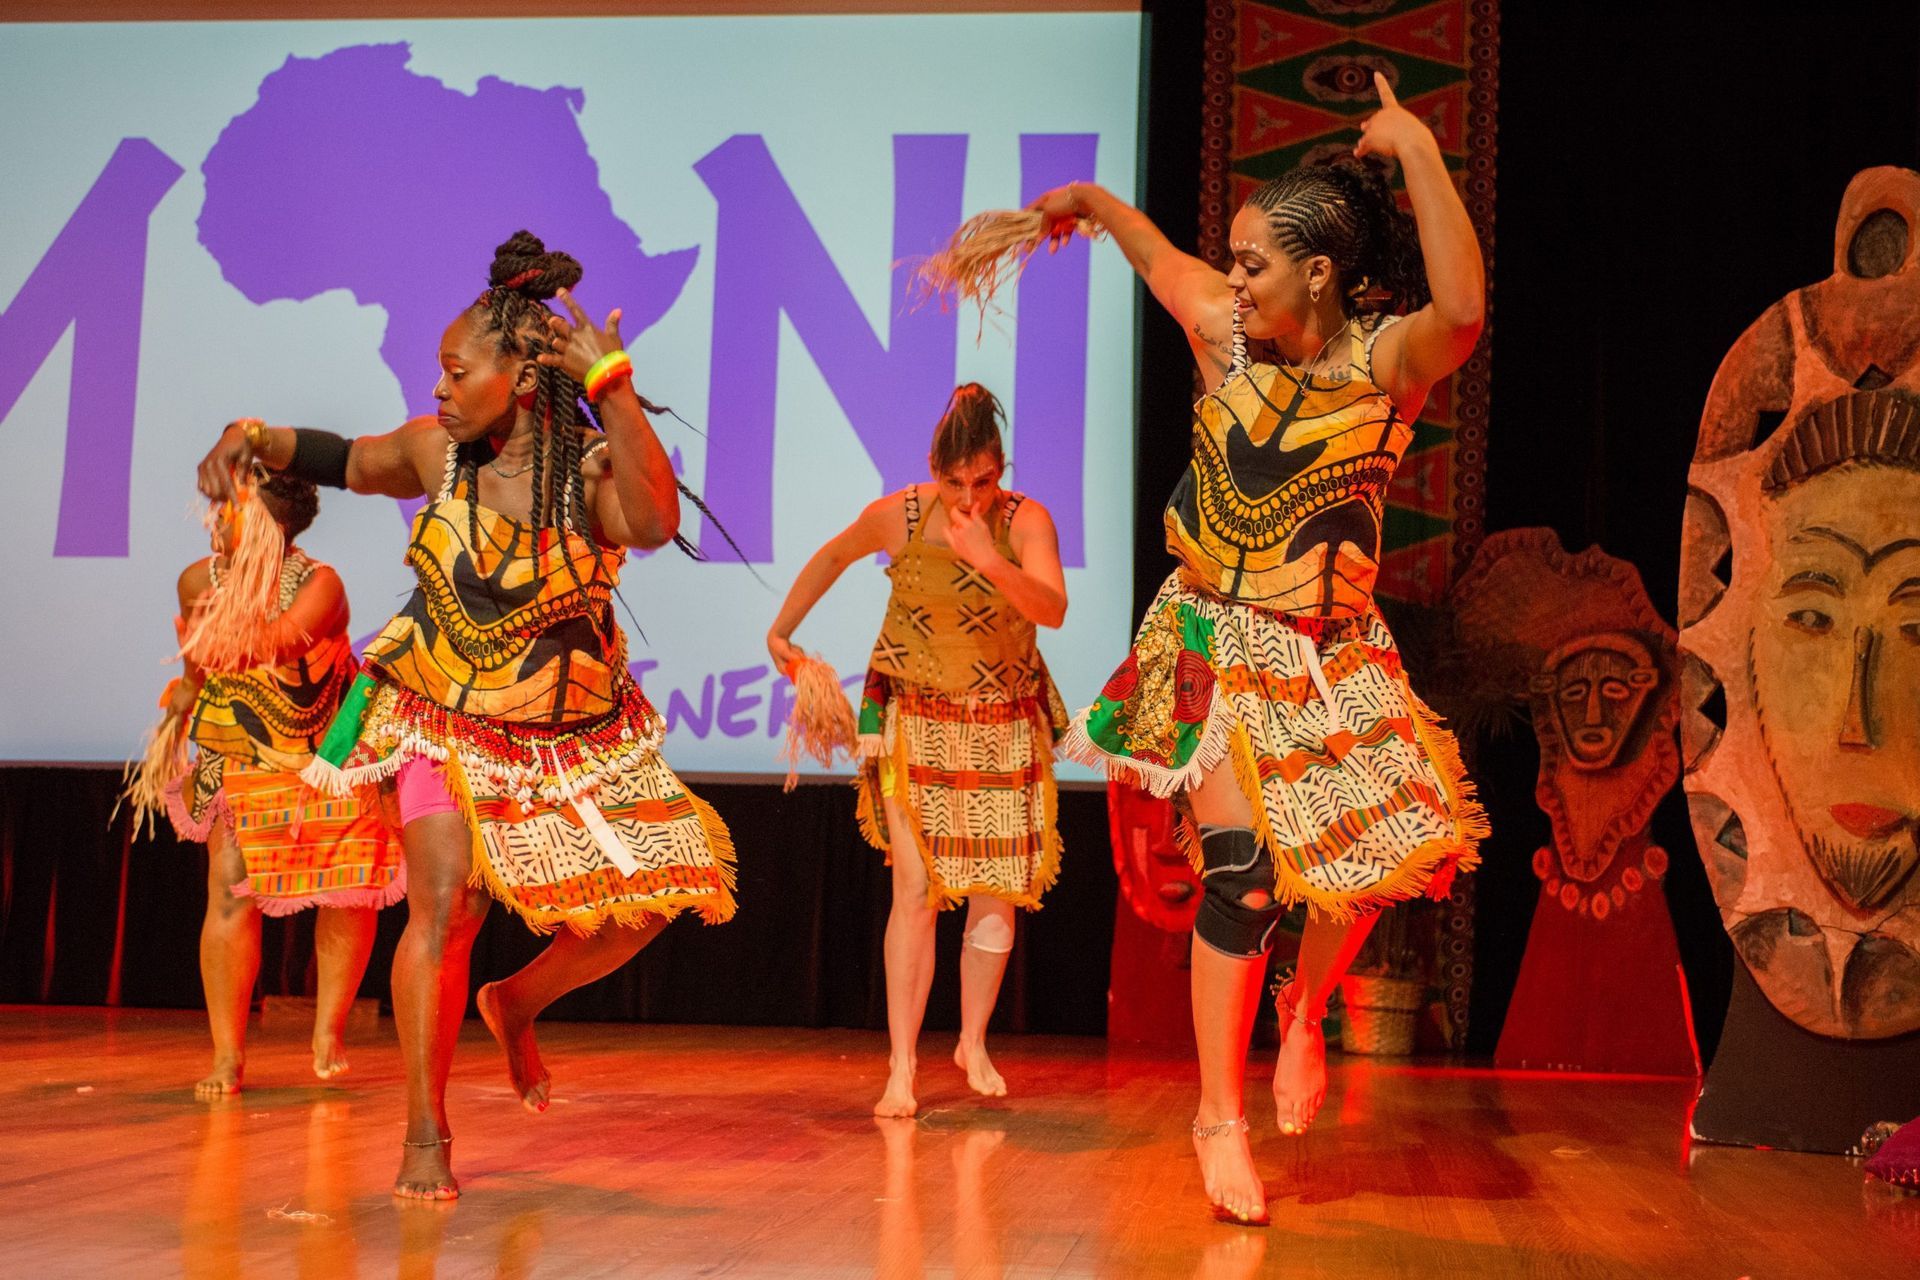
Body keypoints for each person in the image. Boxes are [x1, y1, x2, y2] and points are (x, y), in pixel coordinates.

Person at [194, 232, 737, 1200]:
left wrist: (612, 385)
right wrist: (262, 437)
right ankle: (423, 1131)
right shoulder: (435, 450)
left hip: (566, 731)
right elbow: (353, 460)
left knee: (654, 895)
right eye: (438, 371)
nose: (439, 386)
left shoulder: (586, 479)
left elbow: (655, 523)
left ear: (523, 374)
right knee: (448, 902)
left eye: (455, 369)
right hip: (438, 707)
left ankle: (516, 1001)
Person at [1034, 74, 1487, 1224]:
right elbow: (1154, 259)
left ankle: (1301, 1011)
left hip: (1329, 650)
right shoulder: (1224, 338)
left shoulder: (1386, 366)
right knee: (1240, 871)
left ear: (1319, 273)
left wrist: (1421, 148)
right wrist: (1092, 199)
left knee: (1374, 864)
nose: (1230, 278)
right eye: (1230, 261)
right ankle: (1217, 1115)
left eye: (1253, 262)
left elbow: (1467, 311)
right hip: (1214, 638)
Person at [767, 384, 1069, 1117]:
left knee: (998, 891)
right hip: (914, 716)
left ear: (1002, 470)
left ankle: (972, 1040)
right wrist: (782, 632)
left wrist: (988, 559)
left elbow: (1053, 609)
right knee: (915, 890)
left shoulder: (1027, 522)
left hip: (1002, 717)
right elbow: (834, 555)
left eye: (984, 481)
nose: (969, 496)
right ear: (934, 470)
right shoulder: (898, 516)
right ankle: (901, 1066)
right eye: (954, 482)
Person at [146, 472, 401, 1098]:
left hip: (326, 751)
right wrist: (182, 699)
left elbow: (278, 640)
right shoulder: (197, 581)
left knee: (346, 891)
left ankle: (327, 1031)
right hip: (240, 749)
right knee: (230, 892)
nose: (215, 521)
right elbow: (197, 670)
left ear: (271, 524)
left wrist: (211, 630)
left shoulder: (320, 585)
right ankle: (228, 1057)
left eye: (231, 512)